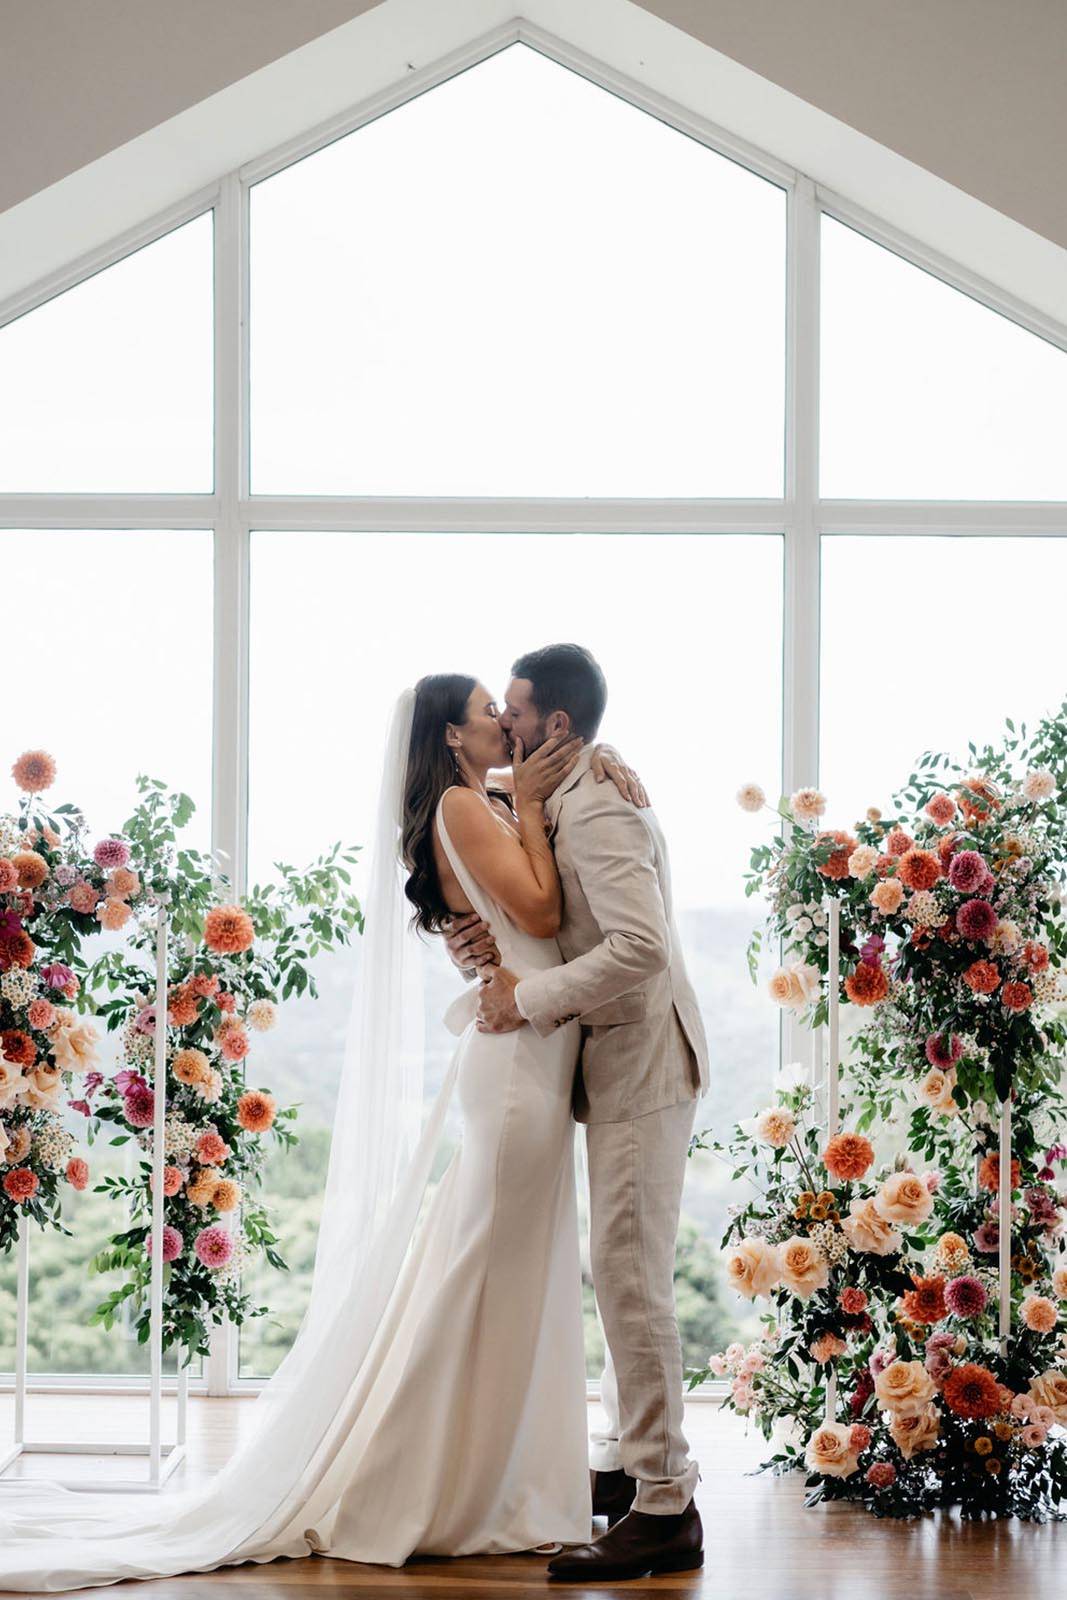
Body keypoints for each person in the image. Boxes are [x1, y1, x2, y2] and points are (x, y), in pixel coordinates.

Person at [0, 674, 636, 1590]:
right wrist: (529, 809)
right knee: (479, 1272)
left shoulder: (488, 797)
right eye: (485, 712)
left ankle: (508, 1486)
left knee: (513, 1276)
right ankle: (404, 1484)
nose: (502, 720)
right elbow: (537, 913)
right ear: (450, 739)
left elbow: (526, 899)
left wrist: (577, 774)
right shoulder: (467, 804)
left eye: (508, 708)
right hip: (515, 1075)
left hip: (534, 1052)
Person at [448, 643, 709, 1582]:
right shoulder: (561, 784)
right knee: (618, 1271)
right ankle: (625, 1463)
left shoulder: (596, 800)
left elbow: (638, 947)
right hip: (610, 1058)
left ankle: (666, 1507)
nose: (504, 725)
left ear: (555, 724)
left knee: (629, 1278)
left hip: (642, 1063)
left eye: (513, 710)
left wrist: (524, 997)